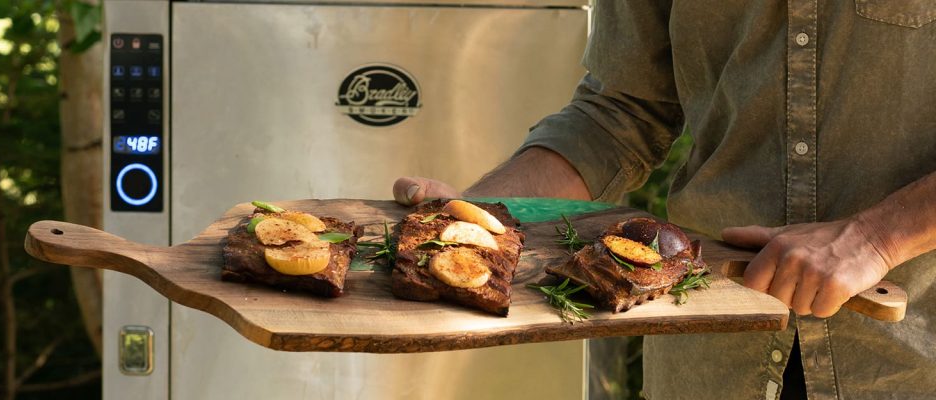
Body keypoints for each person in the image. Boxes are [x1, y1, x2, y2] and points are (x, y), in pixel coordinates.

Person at [392, 2, 936, 399]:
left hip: (908, 361)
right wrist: (477, 218)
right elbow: (621, 111)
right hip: (710, 361)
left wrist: (876, 239)